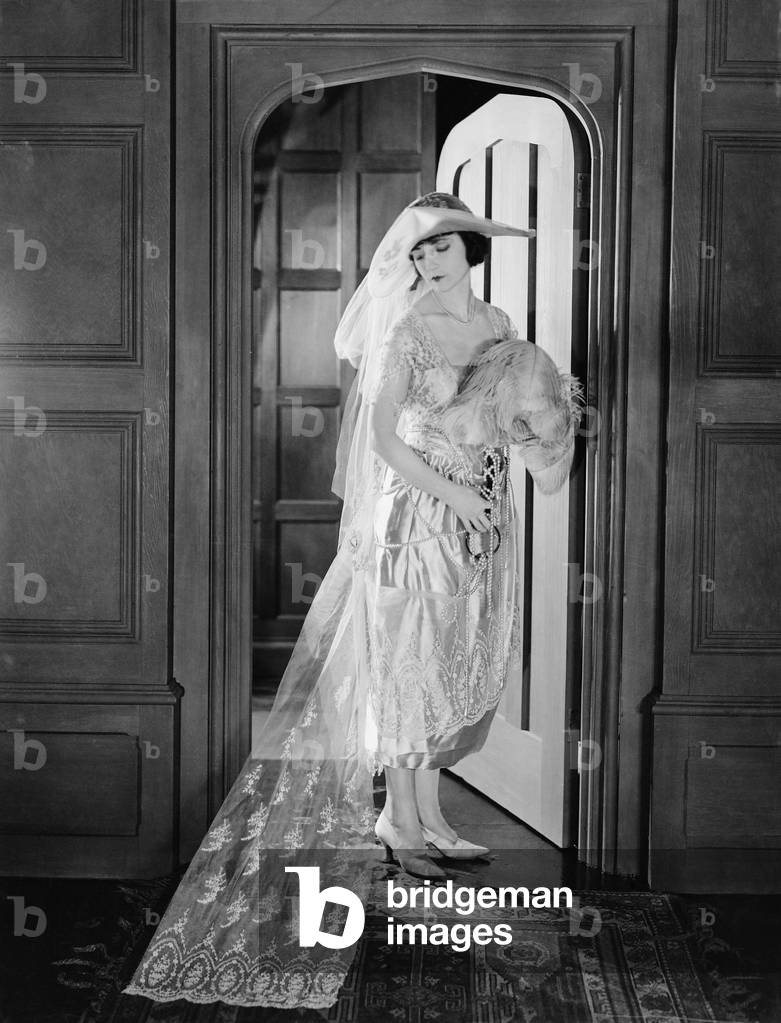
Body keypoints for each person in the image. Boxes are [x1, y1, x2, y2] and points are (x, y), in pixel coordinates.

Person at [122, 192, 583, 1009]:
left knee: (455, 658)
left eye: (441, 246)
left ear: (469, 249)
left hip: (483, 510)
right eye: (416, 250)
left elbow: (502, 413)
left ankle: (430, 817)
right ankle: (397, 820)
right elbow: (380, 439)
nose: (427, 260)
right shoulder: (404, 333)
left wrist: (533, 433)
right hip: (417, 513)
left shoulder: (497, 322)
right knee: (408, 660)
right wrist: (454, 492)